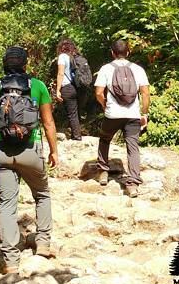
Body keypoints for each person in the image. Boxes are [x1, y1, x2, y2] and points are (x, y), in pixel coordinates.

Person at [0, 46, 59, 273]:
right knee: (42, 193)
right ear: (25, 65)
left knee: (6, 204)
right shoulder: (38, 86)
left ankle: (11, 262)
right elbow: (48, 122)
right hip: (31, 150)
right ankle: (43, 243)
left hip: (3, 153)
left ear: (4, 65)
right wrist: (54, 150)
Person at [93, 39, 150, 197]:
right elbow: (145, 93)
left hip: (113, 114)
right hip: (132, 115)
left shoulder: (106, 69)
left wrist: (105, 106)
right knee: (133, 147)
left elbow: (98, 93)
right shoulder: (138, 69)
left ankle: (103, 173)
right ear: (128, 52)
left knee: (105, 139)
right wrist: (144, 114)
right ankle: (132, 185)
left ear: (112, 53)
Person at [54, 38, 83, 140]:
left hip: (66, 87)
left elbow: (60, 73)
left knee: (71, 113)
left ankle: (76, 136)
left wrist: (57, 90)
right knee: (74, 112)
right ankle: (76, 134)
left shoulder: (62, 57)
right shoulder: (73, 57)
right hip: (75, 87)